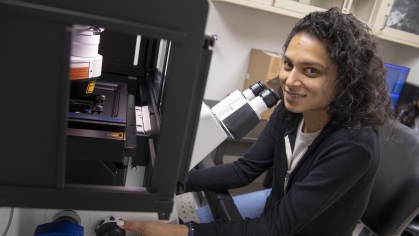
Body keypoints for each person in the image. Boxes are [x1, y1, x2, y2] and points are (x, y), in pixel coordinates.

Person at [117, 7, 394, 236]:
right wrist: (173, 182)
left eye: (311, 70)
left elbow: (276, 229)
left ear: (346, 80)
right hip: (277, 209)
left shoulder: (354, 145)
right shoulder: (290, 112)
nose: (290, 81)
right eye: (288, 64)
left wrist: (186, 232)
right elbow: (244, 170)